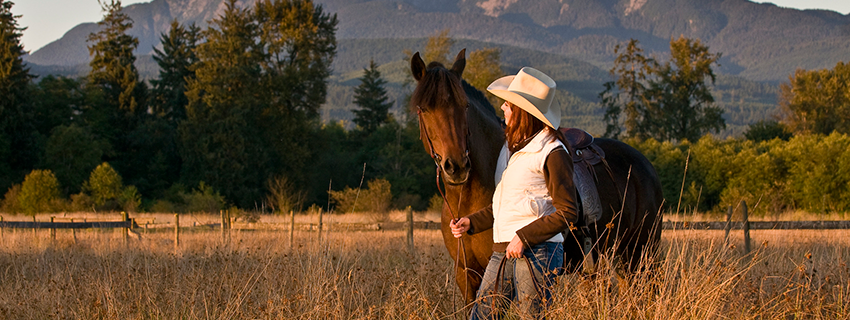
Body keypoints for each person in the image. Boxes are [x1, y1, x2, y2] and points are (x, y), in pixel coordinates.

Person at [450, 67, 578, 319]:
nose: (502, 109)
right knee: (482, 316)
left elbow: (568, 212)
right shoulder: (512, 151)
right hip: (502, 250)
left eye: (508, 104)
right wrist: (472, 222)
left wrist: (524, 236)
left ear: (523, 112)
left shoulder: (552, 151)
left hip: (538, 252)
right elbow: (506, 205)